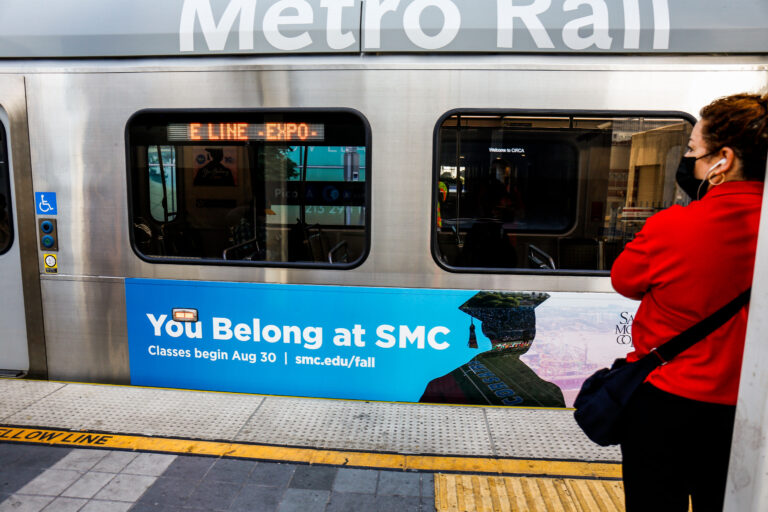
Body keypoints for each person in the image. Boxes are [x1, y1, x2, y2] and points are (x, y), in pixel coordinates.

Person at [611, 93, 768, 511]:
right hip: (750, 416)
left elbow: (624, 280)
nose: (687, 160)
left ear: (724, 161)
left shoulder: (673, 227)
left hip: (665, 404)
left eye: (693, 151)